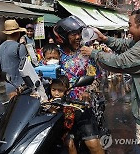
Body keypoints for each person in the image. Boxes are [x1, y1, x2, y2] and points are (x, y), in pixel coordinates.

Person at [81, 8, 140, 154]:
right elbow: (125, 45)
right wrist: (104, 39)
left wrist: (94, 53)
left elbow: (120, 62)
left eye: (130, 25)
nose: (128, 29)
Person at [53, 16, 104, 154]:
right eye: (73, 34)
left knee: (93, 145)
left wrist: (89, 90)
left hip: (83, 107)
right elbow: (41, 74)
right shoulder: (55, 54)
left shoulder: (86, 52)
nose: (78, 37)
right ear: (63, 36)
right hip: (62, 109)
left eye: (79, 33)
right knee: (69, 145)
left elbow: (96, 78)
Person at [0, 19, 27, 99]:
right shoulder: (20, 47)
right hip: (20, 87)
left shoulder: (0, 47)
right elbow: (26, 68)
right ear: (18, 33)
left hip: (7, 86)